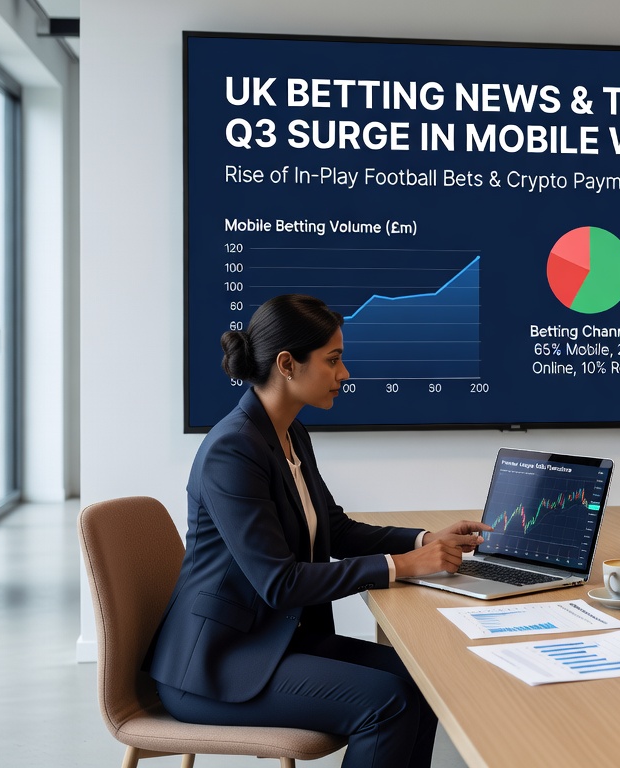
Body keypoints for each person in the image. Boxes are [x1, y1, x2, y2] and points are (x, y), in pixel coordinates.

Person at [146, 294, 491, 768]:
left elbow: (333, 528)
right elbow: (279, 583)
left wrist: (422, 542)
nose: (344, 374)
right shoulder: (232, 451)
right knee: (387, 702)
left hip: (275, 640)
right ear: (287, 364)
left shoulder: (289, 432)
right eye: (333, 360)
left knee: (424, 680)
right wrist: (401, 567)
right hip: (215, 666)